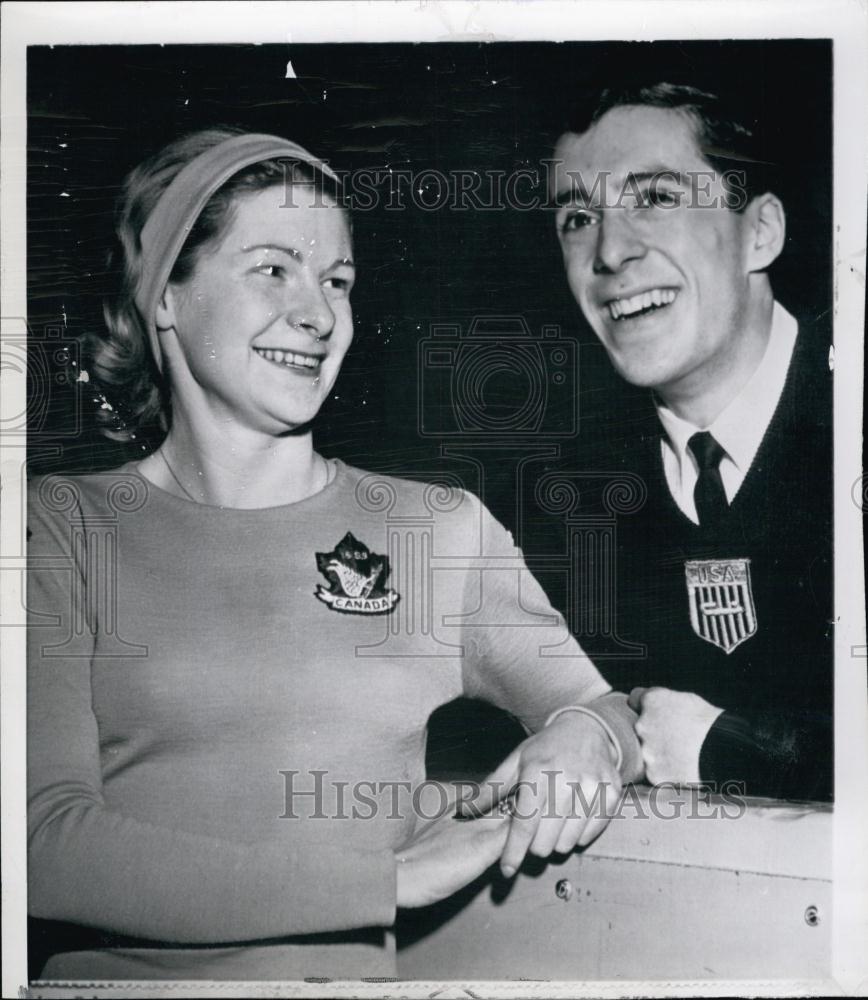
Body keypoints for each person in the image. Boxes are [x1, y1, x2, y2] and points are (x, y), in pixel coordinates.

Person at [26, 127, 643, 982]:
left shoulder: (437, 530)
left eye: (337, 281)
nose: (318, 313)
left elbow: (604, 711)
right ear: (164, 292)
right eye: (272, 268)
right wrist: (382, 881)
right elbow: (40, 844)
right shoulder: (55, 526)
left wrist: (587, 738)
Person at [549, 82, 833, 801]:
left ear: (760, 232)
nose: (609, 251)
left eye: (654, 197)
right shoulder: (566, 502)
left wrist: (727, 749)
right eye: (580, 216)